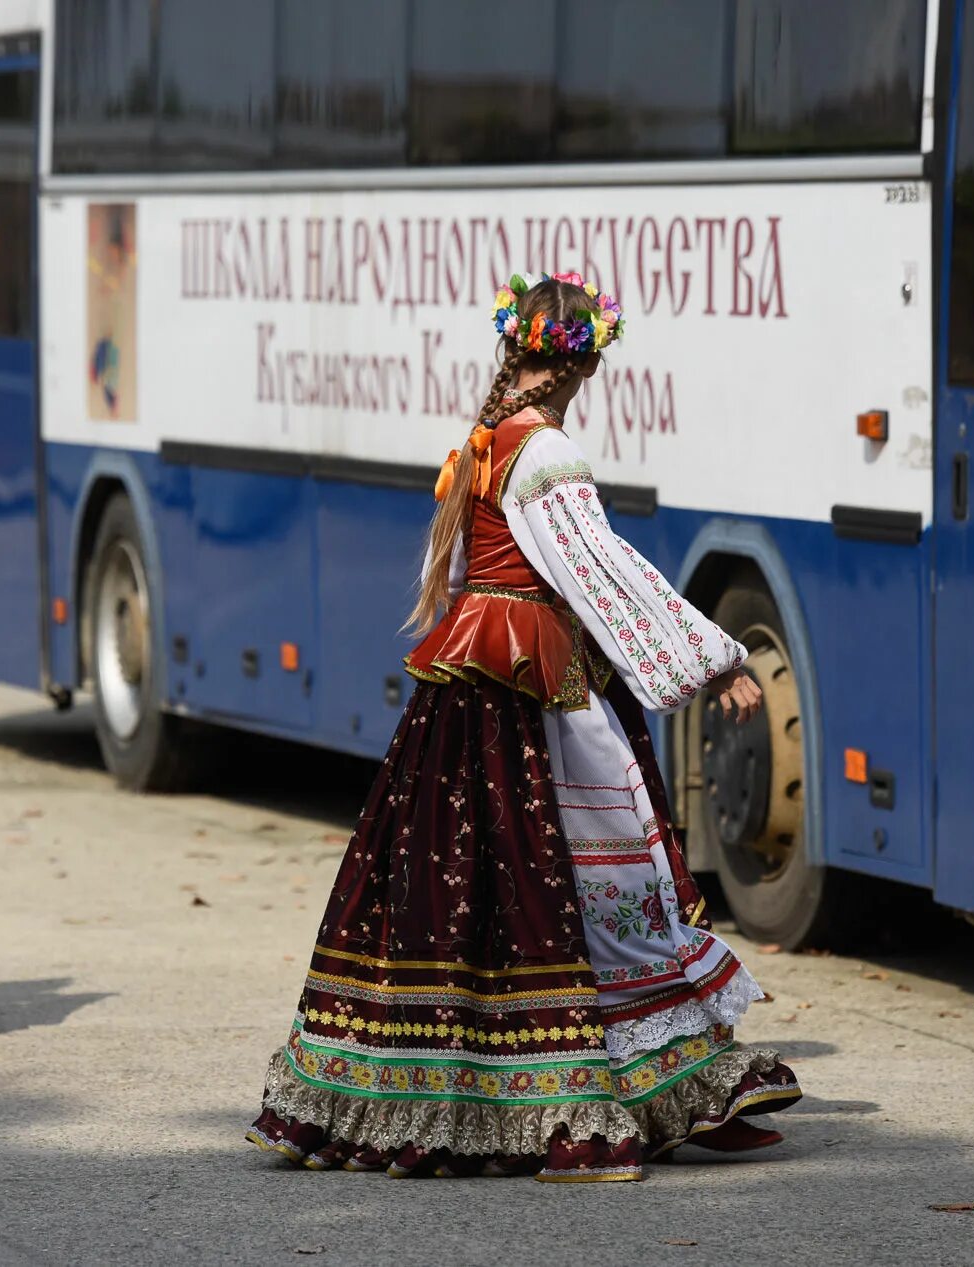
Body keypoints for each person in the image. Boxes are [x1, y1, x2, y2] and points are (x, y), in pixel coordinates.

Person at [245, 275, 800, 1181]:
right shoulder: (544, 454)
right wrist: (713, 656)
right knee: (600, 870)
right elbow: (600, 570)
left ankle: (659, 1082)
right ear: (579, 362)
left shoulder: (485, 444)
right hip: (537, 688)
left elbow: (476, 572)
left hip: (473, 685)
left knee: (482, 890)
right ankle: (606, 1094)